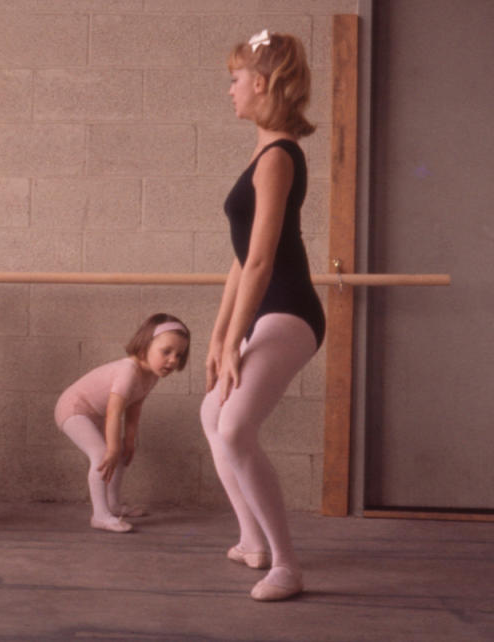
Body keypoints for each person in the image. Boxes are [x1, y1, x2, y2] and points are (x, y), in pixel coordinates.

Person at [200, 29, 325, 601]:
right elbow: (238, 258)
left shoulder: (278, 156)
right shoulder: (260, 149)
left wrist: (233, 344)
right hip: (261, 311)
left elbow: (261, 261)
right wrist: (220, 334)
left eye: (233, 79)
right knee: (211, 412)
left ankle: (286, 564)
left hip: (291, 309)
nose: (228, 90)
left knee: (235, 424)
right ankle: (251, 540)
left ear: (260, 82)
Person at [56, 313, 191, 533]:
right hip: (73, 409)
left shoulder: (151, 375)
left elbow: (134, 406)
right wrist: (114, 446)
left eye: (179, 355)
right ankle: (100, 515)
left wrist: (128, 441)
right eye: (166, 352)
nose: (173, 360)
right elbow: (114, 410)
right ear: (144, 346)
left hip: (96, 413)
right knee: (102, 454)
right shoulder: (128, 370)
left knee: (118, 455)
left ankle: (113, 505)